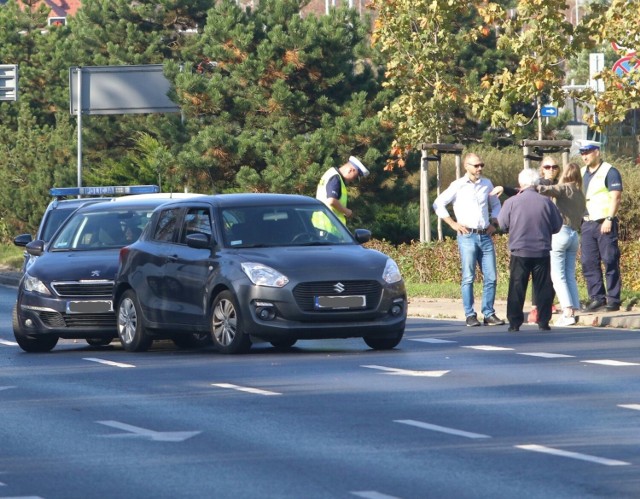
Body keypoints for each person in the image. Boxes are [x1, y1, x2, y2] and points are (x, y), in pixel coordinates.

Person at [432, 152, 504, 327]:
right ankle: (470, 314)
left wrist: (494, 223)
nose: (480, 168)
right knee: (468, 277)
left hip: (484, 235)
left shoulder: (486, 184)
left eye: (482, 165)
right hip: (467, 235)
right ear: (466, 166)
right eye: (476, 165)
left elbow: (496, 205)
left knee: (491, 277)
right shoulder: (458, 185)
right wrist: (452, 223)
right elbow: (438, 203)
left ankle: (488, 313)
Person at [490, 155, 561, 324]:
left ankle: (514, 322)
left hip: (519, 250)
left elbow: (502, 224)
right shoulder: (547, 202)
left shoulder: (512, 202)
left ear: (521, 183)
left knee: (517, 286)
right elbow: (557, 226)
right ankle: (544, 322)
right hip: (542, 250)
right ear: (536, 182)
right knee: (543, 287)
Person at [537, 162, 586, 326]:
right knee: (569, 274)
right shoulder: (579, 192)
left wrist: (532, 185)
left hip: (560, 233)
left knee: (558, 276)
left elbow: (546, 190)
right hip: (574, 235)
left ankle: (567, 311)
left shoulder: (564, 188)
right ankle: (574, 307)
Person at [578, 139, 623, 312]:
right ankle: (597, 298)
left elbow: (615, 197)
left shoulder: (609, 171)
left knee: (610, 260)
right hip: (587, 223)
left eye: (587, 152)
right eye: (582, 153)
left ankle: (613, 299)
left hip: (604, 222)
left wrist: (609, 219)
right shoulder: (582, 172)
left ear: (597, 152)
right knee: (589, 262)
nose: (584, 156)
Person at [315, 156, 369, 225]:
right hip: (328, 225)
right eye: (355, 177)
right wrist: (346, 211)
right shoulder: (336, 178)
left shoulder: (332, 174)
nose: (353, 180)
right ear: (351, 170)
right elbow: (331, 200)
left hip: (322, 223)